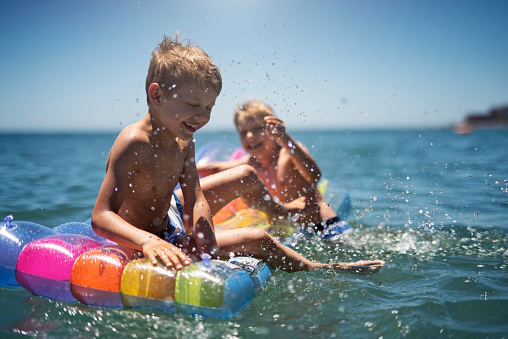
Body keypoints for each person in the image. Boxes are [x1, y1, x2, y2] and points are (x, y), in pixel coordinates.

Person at [91, 35, 385, 273]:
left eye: (209, 107)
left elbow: (195, 199)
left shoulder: (184, 141)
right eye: (194, 105)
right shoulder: (134, 143)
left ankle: (303, 244)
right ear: (157, 96)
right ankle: (318, 262)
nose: (203, 117)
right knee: (256, 236)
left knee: (252, 207)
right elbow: (101, 216)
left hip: (170, 224)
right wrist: (147, 242)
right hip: (143, 242)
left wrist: (207, 244)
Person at [197, 101, 350, 241]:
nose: (250, 136)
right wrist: (183, 166)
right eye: (243, 132)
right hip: (295, 230)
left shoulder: (288, 152)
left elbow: (314, 176)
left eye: (257, 129)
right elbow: (216, 168)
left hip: (325, 226)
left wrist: (285, 139)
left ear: (272, 129)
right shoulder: (251, 162)